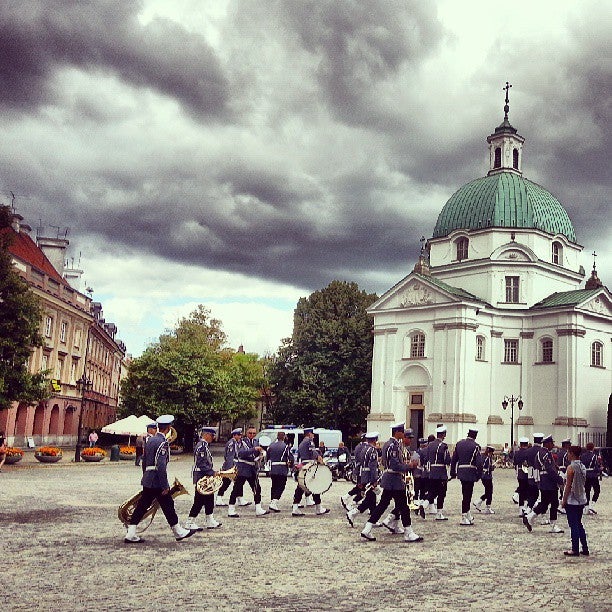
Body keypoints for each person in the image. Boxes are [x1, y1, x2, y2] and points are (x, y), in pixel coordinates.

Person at [124, 414, 198, 543]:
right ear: (169, 427)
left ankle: (131, 533)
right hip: (157, 481)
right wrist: (165, 485)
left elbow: (145, 462)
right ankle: (178, 531)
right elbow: (161, 466)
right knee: (168, 505)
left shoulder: (150, 440)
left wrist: (145, 477)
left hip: (148, 478)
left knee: (142, 506)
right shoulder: (162, 443)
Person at [360, 423, 423, 543]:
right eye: (402, 431)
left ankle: (367, 528)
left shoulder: (388, 444)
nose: (404, 434)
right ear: (397, 432)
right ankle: (408, 532)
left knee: (383, 505)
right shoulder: (393, 446)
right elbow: (395, 465)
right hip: (394, 479)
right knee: (403, 507)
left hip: (390, 479)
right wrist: (409, 466)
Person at [523, 435, 564, 534]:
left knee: (544, 503)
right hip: (549, 481)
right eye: (552, 443)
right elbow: (549, 469)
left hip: (543, 480)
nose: (553, 445)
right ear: (547, 443)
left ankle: (530, 517)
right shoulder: (546, 454)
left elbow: (540, 466)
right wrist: (558, 479)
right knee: (554, 503)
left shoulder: (539, 453)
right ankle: (553, 525)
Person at [185, 427, 222, 530]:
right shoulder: (202, 446)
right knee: (199, 500)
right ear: (206, 435)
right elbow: (201, 463)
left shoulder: (204, 445)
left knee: (209, 498)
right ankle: (190, 521)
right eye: (211, 435)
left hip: (205, 475)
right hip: (201, 475)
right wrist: (212, 472)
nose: (213, 438)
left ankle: (210, 519)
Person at [227, 428, 268, 518]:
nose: (252, 435)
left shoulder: (256, 441)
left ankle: (258, 508)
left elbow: (258, 453)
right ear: (246, 433)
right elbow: (240, 453)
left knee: (257, 488)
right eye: (250, 433)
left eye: (254, 433)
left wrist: (261, 454)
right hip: (243, 468)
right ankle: (231, 509)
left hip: (252, 468)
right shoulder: (242, 442)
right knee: (237, 488)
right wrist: (254, 449)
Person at [292, 428, 329, 516]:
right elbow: (313, 453)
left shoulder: (301, 443)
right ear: (309, 434)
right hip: (310, 466)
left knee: (301, 487)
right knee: (315, 486)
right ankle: (318, 508)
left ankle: (295, 507)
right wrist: (320, 460)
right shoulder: (309, 441)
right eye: (312, 434)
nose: (313, 435)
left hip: (304, 465)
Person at [346, 432, 380, 526]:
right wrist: (374, 479)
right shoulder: (372, 450)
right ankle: (353, 513)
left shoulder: (364, 449)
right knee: (369, 499)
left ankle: (373, 519)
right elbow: (372, 467)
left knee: (371, 499)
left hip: (363, 474)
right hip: (369, 476)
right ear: (374, 440)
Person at [450, 427, 483, 525]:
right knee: (467, 495)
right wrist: (479, 475)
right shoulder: (476, 446)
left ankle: (467, 513)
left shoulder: (459, 444)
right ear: (475, 436)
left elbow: (454, 459)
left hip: (461, 471)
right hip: (470, 471)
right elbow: (479, 463)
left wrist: (453, 472)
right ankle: (464, 515)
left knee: (465, 493)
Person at [561, 445, 589, 556]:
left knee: (573, 525)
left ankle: (575, 548)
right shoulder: (582, 466)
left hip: (572, 499)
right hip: (581, 498)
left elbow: (568, 486)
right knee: (579, 523)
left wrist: (564, 500)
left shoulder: (571, 467)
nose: (567, 455)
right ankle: (585, 547)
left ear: (572, 454)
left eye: (568, 453)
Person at [423, 426, 451, 520]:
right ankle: (439, 513)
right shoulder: (444, 446)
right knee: (441, 493)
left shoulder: (429, 445)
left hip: (432, 472)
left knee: (432, 491)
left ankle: (424, 504)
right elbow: (447, 460)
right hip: (441, 473)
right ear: (443, 435)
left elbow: (425, 458)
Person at [216, 428, 243, 507]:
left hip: (234, 465)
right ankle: (219, 498)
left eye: (240, 435)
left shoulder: (235, 443)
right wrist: (230, 469)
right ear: (234, 435)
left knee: (238, 482)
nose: (240, 437)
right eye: (239, 435)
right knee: (226, 483)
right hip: (230, 466)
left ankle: (240, 498)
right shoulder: (231, 443)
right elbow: (229, 456)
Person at [267, 431, 294, 512]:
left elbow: (267, 457)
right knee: (281, 486)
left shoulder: (271, 446)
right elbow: (290, 457)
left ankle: (272, 501)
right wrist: (291, 465)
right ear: (284, 437)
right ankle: (274, 502)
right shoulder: (285, 446)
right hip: (282, 468)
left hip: (273, 468)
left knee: (274, 486)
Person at [341, 434, 367, 509]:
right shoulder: (364, 447)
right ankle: (351, 501)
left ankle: (348, 498)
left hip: (359, 470)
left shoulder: (359, 446)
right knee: (362, 488)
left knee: (361, 488)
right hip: (362, 470)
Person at [525, 433, 544, 512]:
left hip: (530, 473)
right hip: (539, 473)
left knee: (532, 492)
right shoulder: (542, 451)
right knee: (539, 493)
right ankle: (531, 509)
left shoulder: (528, 450)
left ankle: (528, 507)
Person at [580, 443, 602, 515]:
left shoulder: (582, 456)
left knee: (587, 491)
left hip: (585, 475)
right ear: (593, 448)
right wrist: (600, 469)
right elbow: (595, 467)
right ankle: (592, 505)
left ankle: (586, 508)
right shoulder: (594, 456)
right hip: (593, 475)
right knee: (597, 490)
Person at [474, 445, 495, 514]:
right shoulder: (488, 458)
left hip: (483, 476)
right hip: (487, 477)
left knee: (487, 491)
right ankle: (487, 507)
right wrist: (492, 467)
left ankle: (478, 502)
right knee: (489, 492)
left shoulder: (482, 456)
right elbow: (488, 468)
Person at [513, 437, 530, 516]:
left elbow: (515, 463)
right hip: (528, 474)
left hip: (520, 474)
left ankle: (520, 509)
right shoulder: (528, 452)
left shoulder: (517, 453)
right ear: (527, 444)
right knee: (527, 491)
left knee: (521, 491)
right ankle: (525, 508)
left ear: (520, 444)